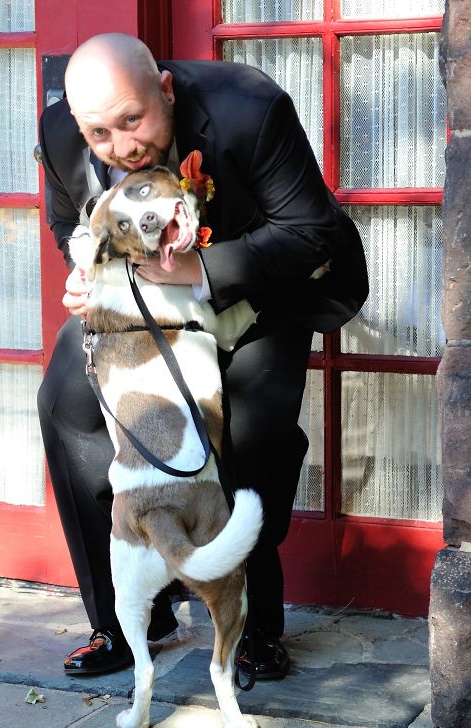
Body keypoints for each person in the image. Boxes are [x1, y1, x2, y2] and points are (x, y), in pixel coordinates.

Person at [37, 33, 368, 681]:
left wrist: (202, 270)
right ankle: (125, 615)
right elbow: (66, 223)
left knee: (249, 429)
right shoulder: (60, 130)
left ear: (164, 89)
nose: (123, 146)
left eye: (134, 121)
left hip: (263, 288)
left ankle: (255, 627)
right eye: (100, 133)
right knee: (67, 405)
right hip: (145, 292)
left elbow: (309, 232)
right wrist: (88, 271)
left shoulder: (249, 107)